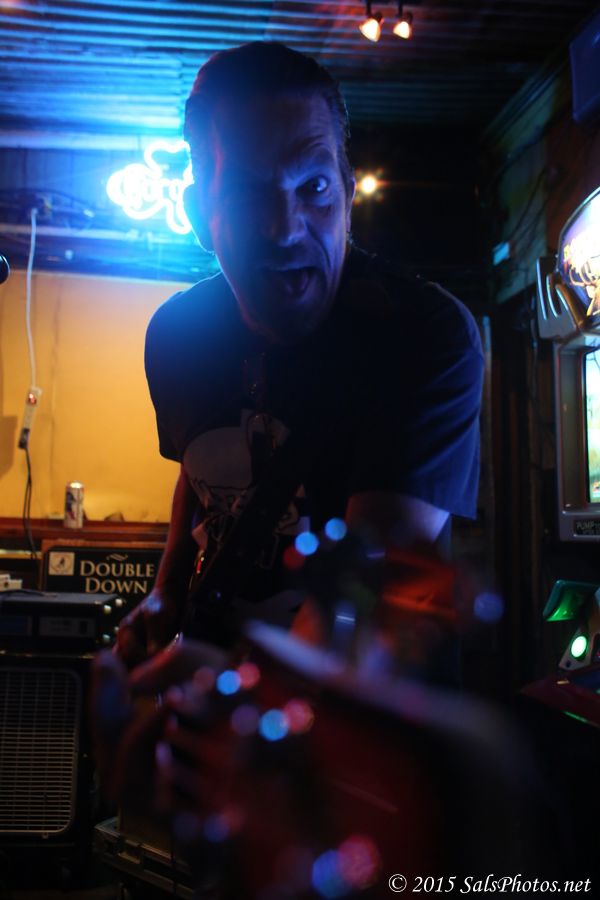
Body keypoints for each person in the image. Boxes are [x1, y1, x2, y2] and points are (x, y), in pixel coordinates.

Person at [114, 41, 484, 671]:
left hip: (358, 713)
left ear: (348, 194)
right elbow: (203, 473)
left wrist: (224, 702)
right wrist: (167, 594)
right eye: (249, 193)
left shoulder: (422, 335)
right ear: (200, 214)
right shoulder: (176, 337)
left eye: (313, 186)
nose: (285, 228)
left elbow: (362, 594)